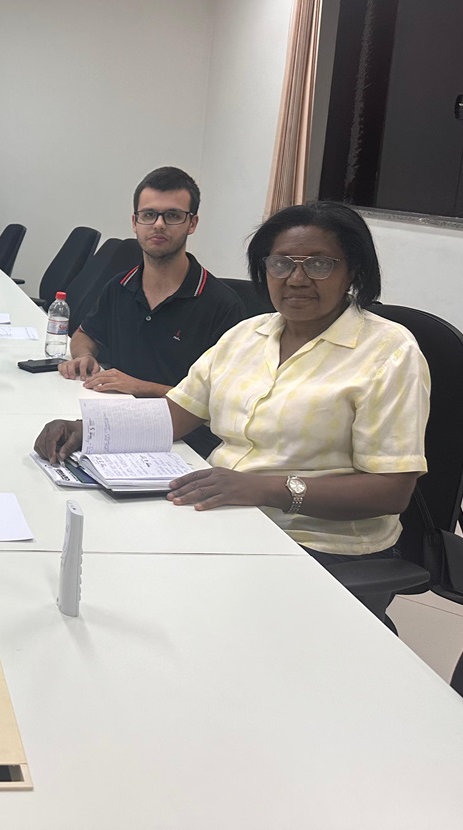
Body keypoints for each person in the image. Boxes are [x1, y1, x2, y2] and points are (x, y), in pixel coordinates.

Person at [36, 201, 430, 620]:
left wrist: (262, 488)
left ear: (353, 272)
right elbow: (177, 414)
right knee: (110, 580)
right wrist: (87, 428)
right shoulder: (247, 335)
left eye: (319, 264)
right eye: (281, 264)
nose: (296, 279)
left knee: (177, 616)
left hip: (320, 547)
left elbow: (391, 490)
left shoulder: (389, 352)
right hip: (226, 517)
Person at [60, 167, 243, 398]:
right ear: (135, 222)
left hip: (177, 421)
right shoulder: (119, 287)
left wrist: (141, 388)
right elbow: (85, 334)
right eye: (148, 215)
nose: (158, 224)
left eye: (173, 215)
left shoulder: (222, 305)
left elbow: (221, 398)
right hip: (114, 411)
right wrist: (84, 356)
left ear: (192, 223)